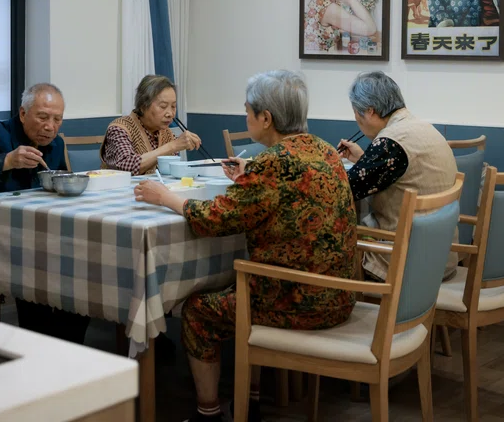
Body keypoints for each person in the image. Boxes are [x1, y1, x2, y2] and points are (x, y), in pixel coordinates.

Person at [135, 70, 357, 422]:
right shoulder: (325, 151)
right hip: (339, 294)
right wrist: (248, 176)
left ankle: (208, 414)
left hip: (298, 302)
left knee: (197, 312)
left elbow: (215, 219)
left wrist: (166, 197)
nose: (246, 117)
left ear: (265, 118)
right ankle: (249, 400)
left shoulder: (272, 163)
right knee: (235, 283)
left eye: (247, 112)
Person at [0, 83, 90, 344]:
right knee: (37, 264)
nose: (50, 127)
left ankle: (67, 345)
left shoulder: (56, 144)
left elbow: (58, 182)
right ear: (23, 113)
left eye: (57, 119)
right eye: (43, 117)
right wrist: (7, 161)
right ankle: (39, 344)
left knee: (82, 262)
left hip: (42, 232)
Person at [337, 72, 459, 283]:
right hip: (440, 257)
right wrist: (364, 160)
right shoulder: (420, 127)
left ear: (370, 111)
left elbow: (344, 189)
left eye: (356, 113)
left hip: (406, 262)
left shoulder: (390, 142)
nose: (357, 121)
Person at [100, 74, 202, 175]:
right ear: (143, 106)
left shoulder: (167, 134)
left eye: (173, 106)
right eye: (163, 106)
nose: (170, 114)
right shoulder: (119, 129)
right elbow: (127, 167)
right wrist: (173, 146)